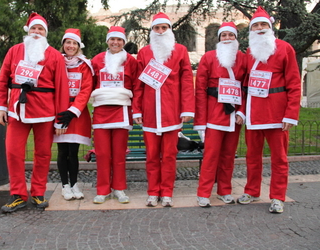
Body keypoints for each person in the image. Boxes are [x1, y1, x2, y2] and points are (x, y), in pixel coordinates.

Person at [0, 13, 70, 213]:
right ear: (28, 30)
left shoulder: (54, 55)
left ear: (45, 33)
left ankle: (38, 192)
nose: (37, 32)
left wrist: (61, 120)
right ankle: (18, 195)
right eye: (34, 29)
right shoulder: (14, 51)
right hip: (17, 110)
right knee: (13, 152)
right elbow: (3, 81)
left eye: (41, 29)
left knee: (43, 154)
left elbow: (62, 87)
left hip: (45, 112)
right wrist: (0, 106)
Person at [237, 6, 301, 213]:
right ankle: (252, 190)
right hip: (254, 113)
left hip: (276, 113)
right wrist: (242, 110)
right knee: (252, 157)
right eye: (256, 25)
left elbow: (294, 82)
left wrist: (291, 114)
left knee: (279, 158)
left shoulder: (284, 48)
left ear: (271, 27)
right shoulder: (249, 52)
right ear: (251, 30)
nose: (260, 28)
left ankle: (277, 196)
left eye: (264, 24)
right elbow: (245, 84)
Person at [133, 12, 195, 207]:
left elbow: (186, 81)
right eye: (156, 28)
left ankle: (166, 192)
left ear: (169, 29)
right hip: (150, 113)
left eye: (163, 28)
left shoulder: (180, 51)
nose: (160, 32)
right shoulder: (144, 53)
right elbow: (138, 84)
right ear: (152, 31)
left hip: (171, 112)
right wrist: (137, 110)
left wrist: (187, 109)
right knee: (151, 156)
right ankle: (153, 192)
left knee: (169, 155)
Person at [194, 22, 247, 207]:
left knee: (228, 156)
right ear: (218, 38)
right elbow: (200, 90)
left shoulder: (243, 58)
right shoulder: (209, 57)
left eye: (230, 35)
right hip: (214, 115)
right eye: (223, 36)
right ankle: (203, 193)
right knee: (211, 156)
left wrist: (242, 111)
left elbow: (246, 88)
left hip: (234, 116)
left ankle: (225, 190)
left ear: (235, 38)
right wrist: (201, 121)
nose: (227, 39)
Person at [90, 26, 138, 204]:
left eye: (119, 40)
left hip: (122, 111)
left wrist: (136, 109)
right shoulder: (96, 60)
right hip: (101, 111)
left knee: (118, 154)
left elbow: (137, 86)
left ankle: (119, 188)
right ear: (107, 41)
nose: (115, 43)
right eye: (112, 39)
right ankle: (102, 190)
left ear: (123, 42)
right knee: (102, 154)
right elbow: (90, 83)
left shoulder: (131, 62)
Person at [53, 28, 94, 201]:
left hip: (77, 114)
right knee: (62, 151)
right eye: (68, 42)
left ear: (79, 46)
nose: (71, 46)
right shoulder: (55, 61)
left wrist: (73, 111)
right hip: (59, 111)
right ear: (63, 44)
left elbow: (85, 90)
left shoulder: (85, 65)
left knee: (73, 151)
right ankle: (64, 185)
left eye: (74, 43)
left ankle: (74, 183)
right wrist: (61, 111)